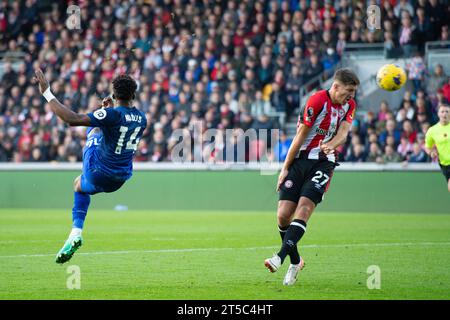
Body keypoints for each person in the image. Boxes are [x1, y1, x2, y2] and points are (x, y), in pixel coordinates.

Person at [33, 69, 147, 263]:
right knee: (79, 185)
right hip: (119, 179)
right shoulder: (142, 118)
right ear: (134, 95)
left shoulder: (113, 115)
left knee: (92, 134)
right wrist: (108, 113)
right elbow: (119, 123)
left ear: (114, 94)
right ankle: (74, 234)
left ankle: (76, 233)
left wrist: (47, 92)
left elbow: (72, 119)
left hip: (98, 171)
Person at [264, 68, 359, 285]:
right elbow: (300, 137)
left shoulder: (349, 105)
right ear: (335, 87)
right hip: (300, 160)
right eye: (349, 91)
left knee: (304, 208)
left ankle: (279, 257)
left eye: (353, 92)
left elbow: (343, 134)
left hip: (324, 162)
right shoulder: (317, 101)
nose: (351, 96)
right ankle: (295, 261)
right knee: (283, 215)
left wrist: (330, 146)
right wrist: (285, 168)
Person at [425, 104, 450, 192]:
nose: (445, 114)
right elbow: (427, 147)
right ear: (438, 114)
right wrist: (432, 153)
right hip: (444, 164)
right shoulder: (432, 131)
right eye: (442, 111)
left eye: (447, 111)